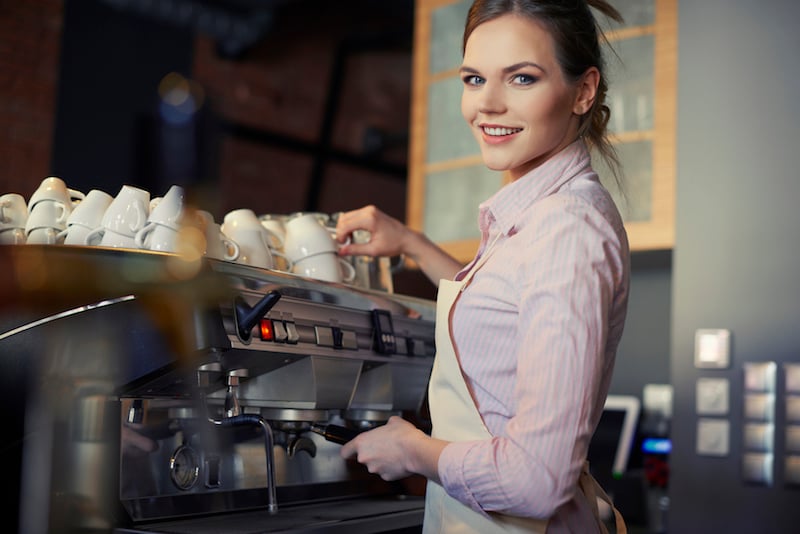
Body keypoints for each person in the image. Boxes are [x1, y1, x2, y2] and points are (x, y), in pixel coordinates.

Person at [335, 0, 630, 532]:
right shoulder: (539, 216)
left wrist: (414, 451)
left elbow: (538, 480)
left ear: (583, 91)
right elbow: (503, 309)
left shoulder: (568, 232)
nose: (487, 105)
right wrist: (411, 242)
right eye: (474, 78)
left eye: (522, 78)